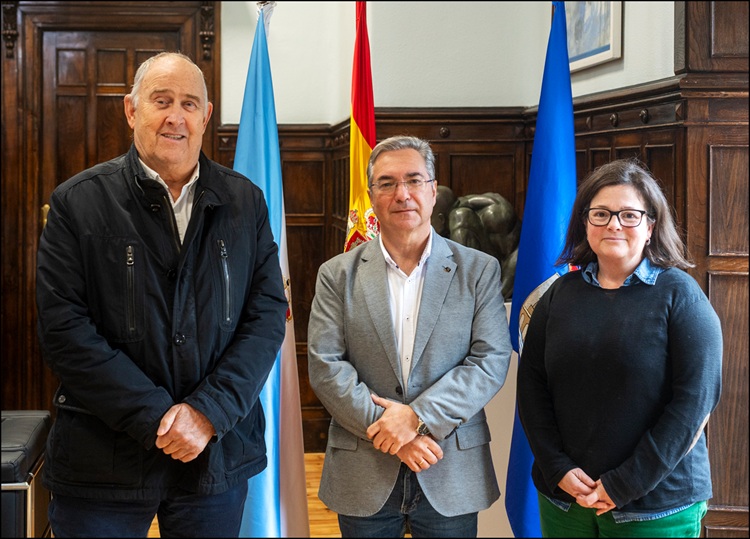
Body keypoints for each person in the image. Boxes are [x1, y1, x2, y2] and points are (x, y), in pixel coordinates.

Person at [35, 52, 288, 538]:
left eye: (189, 103)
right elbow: (64, 331)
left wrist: (207, 413)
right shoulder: (77, 203)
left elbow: (266, 316)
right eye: (161, 100)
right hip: (101, 462)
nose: (176, 116)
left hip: (214, 456)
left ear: (205, 116)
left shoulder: (245, 201)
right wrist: (160, 419)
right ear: (132, 110)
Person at [308, 135, 513, 538]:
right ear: (372, 196)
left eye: (414, 180)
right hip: (363, 468)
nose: (402, 194)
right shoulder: (336, 274)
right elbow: (326, 366)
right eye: (387, 183)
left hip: (449, 465)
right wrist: (393, 434)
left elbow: (490, 361)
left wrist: (417, 419)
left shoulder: (479, 269)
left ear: (433, 191)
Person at [517, 158, 723, 538]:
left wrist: (625, 483)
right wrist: (557, 468)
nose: (614, 224)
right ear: (585, 223)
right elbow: (531, 388)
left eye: (629, 215)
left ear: (651, 226)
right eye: (601, 214)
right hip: (566, 500)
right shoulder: (557, 295)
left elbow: (694, 403)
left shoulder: (681, 296)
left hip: (654, 506)